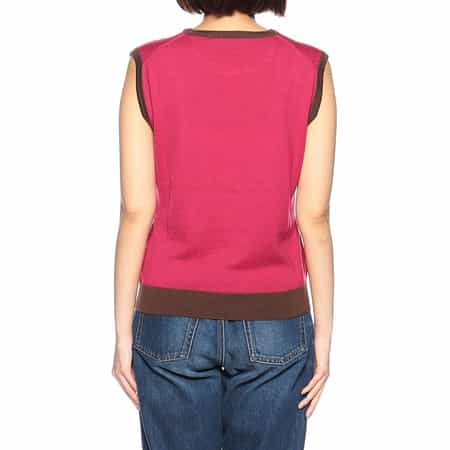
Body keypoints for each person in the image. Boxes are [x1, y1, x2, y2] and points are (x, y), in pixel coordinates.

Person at [112, 1, 336, 448]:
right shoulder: (310, 67)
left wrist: (121, 333)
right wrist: (324, 335)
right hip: (276, 317)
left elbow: (136, 211)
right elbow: (314, 218)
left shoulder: (149, 64)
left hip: (168, 316)